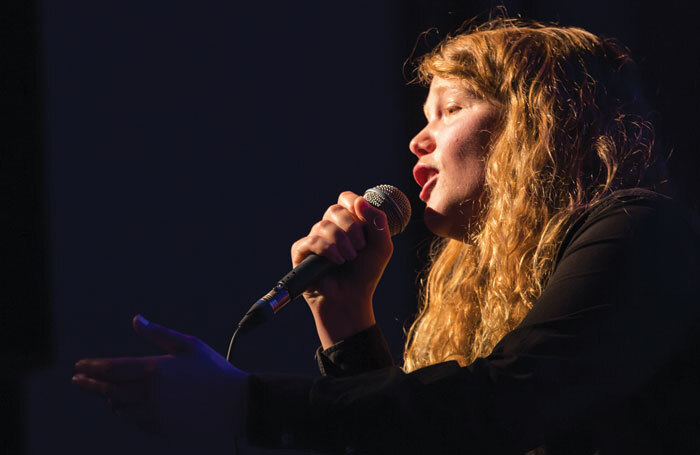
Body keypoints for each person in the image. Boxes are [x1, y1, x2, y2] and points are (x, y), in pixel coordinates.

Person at [72, 17, 700, 454]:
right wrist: (344, 318)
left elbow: (501, 404)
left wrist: (246, 405)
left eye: (451, 109)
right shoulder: (502, 279)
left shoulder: (641, 232)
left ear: (541, 125)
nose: (418, 140)